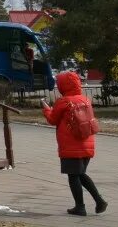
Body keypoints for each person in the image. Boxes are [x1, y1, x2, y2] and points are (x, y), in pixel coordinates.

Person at [43, 71, 107, 216]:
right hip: (87, 143)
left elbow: (53, 120)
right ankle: (99, 201)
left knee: (73, 176)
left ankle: (80, 207)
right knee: (80, 174)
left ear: (63, 86)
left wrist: (46, 109)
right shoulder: (85, 99)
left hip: (71, 145)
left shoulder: (63, 101)